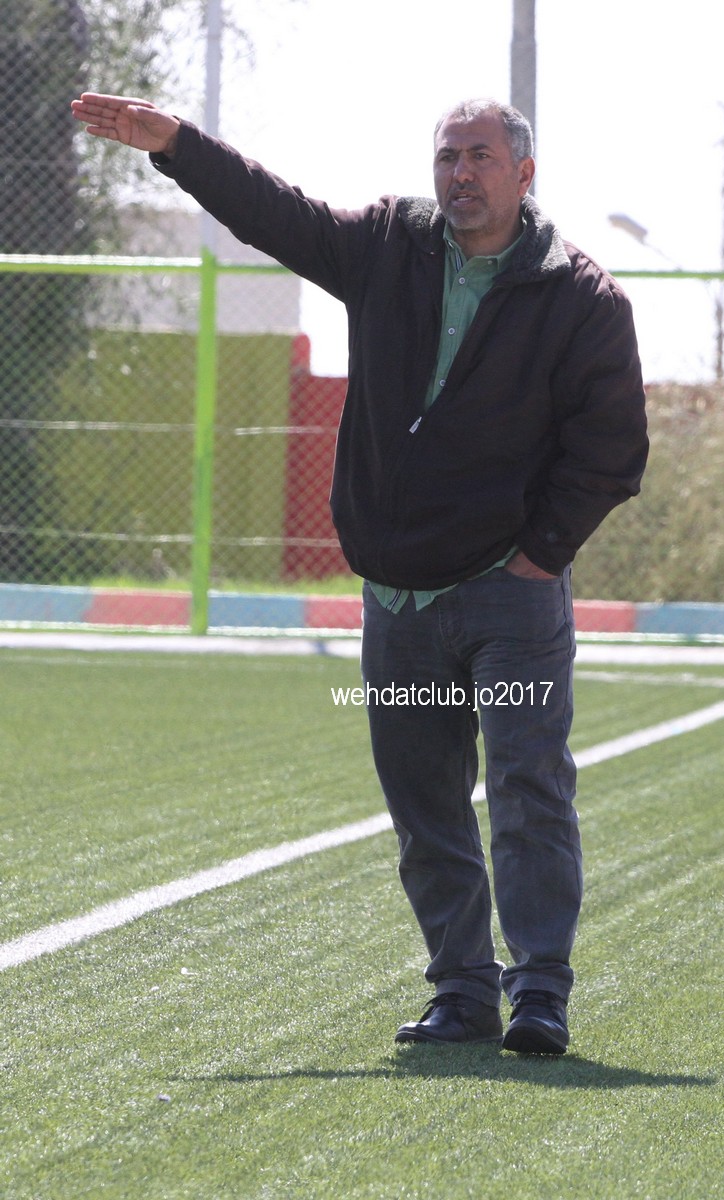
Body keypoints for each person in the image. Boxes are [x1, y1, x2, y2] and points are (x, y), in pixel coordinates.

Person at [72, 91, 649, 1055]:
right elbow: (276, 213)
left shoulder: (582, 298)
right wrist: (177, 145)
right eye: (448, 156)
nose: (460, 173)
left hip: (509, 599)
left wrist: (539, 556)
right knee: (425, 805)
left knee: (528, 789)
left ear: (523, 173)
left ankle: (540, 992)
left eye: (480, 156)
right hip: (398, 600)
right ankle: (462, 991)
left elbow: (612, 451)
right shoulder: (388, 246)